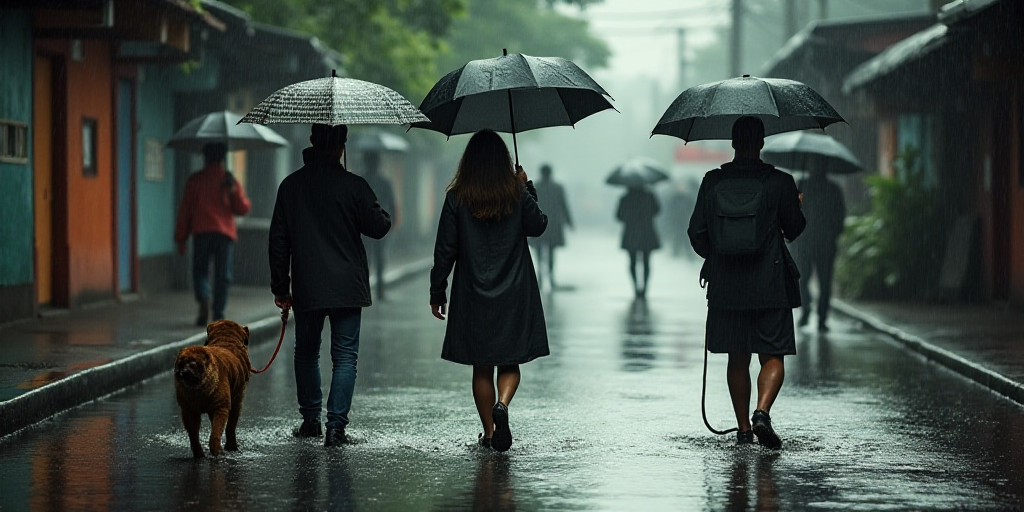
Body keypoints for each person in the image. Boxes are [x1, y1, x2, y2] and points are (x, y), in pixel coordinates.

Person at [269, 124, 392, 447]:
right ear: (342, 145)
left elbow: (278, 241)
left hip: (309, 285)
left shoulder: (291, 186)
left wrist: (281, 287)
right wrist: (365, 197)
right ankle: (336, 427)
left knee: (306, 353)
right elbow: (379, 227)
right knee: (345, 357)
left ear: (312, 141)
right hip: (347, 286)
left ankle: (311, 421)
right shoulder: (354, 185)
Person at [687, 116, 805, 449]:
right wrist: (795, 205)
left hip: (727, 287)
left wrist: (718, 256)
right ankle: (762, 412)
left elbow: (696, 233)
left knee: (736, 356)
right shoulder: (780, 182)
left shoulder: (712, 181)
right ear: (762, 143)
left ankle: (742, 430)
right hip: (770, 283)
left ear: (734, 143)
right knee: (773, 355)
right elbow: (794, 230)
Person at [429, 130, 549, 452]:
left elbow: (445, 250)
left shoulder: (457, 197)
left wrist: (437, 290)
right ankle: (504, 404)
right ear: (503, 161)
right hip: (514, 289)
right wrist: (525, 186)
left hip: (473, 291)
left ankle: (490, 431)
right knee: (510, 362)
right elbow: (538, 226)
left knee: (481, 365)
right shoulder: (515, 194)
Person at [174, 142, 251, 326]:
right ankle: (218, 312)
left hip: (202, 232)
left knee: (200, 270)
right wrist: (232, 191)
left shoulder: (195, 180)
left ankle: (203, 296)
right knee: (223, 275)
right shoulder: (228, 180)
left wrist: (181, 238)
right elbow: (243, 209)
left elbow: (185, 210)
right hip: (223, 235)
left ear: (205, 157)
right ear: (223, 158)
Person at [793, 169, 846, 332]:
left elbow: (839, 216)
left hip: (819, 242)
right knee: (807, 280)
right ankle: (809, 311)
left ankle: (819, 316)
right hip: (810, 242)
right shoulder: (803, 185)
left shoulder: (830, 189)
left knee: (821, 281)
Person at [360, 151, 398, 300]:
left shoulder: (360, 180)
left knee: (365, 259)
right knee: (380, 259)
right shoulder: (384, 181)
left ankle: (364, 290)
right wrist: (392, 222)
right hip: (380, 225)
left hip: (363, 226)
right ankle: (380, 292)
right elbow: (392, 203)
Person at [529, 164, 573, 289]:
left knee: (538, 251)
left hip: (537, 222)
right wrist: (569, 222)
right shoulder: (558, 188)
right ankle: (551, 277)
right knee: (551, 252)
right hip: (553, 224)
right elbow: (564, 205)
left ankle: (539, 276)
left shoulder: (534, 187)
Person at [616, 184, 661, 299]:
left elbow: (618, 216)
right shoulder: (649, 196)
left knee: (632, 262)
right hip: (647, 232)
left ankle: (636, 286)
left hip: (631, 233)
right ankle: (645, 288)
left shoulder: (625, 198)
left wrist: (630, 216)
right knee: (646, 262)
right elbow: (657, 211)